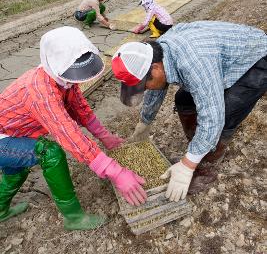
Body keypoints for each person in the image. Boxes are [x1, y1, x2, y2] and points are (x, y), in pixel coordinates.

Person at [0, 27, 147, 230]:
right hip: (3, 137)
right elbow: (68, 135)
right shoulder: (40, 91)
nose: (75, 81)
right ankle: (74, 217)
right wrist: (116, 172)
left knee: (17, 172)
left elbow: (81, 109)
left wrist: (105, 136)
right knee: (50, 152)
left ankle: (1, 211)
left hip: (13, 133)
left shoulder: (64, 80)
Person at [111, 21, 267, 202]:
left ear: (155, 68)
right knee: (183, 99)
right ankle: (199, 144)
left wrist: (187, 165)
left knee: (225, 113)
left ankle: (207, 161)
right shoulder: (159, 53)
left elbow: (212, 118)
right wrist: (145, 122)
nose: (146, 89)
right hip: (220, 56)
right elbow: (155, 89)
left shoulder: (193, 61)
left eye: (144, 85)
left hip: (256, 58)